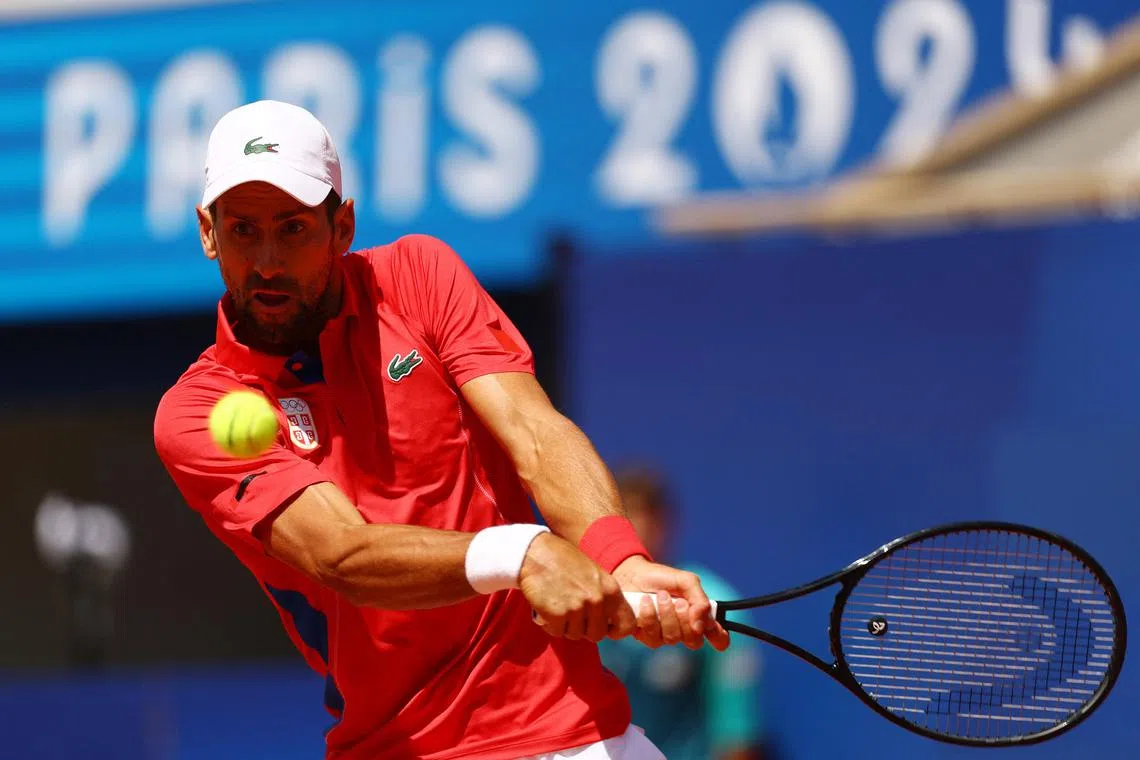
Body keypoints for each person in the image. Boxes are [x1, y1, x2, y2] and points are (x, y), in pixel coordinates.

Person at [153, 100, 730, 760]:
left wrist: (619, 556)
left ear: (342, 226)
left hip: (580, 735)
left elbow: (533, 430)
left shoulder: (419, 276)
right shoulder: (195, 413)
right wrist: (524, 553)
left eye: (292, 228)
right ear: (208, 232)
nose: (268, 263)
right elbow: (340, 551)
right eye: (243, 231)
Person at [598, 468, 767, 760]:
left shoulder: (718, 607)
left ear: (665, 524)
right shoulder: (577, 603)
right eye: (624, 520)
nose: (636, 531)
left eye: (645, 516)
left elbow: (737, 739)